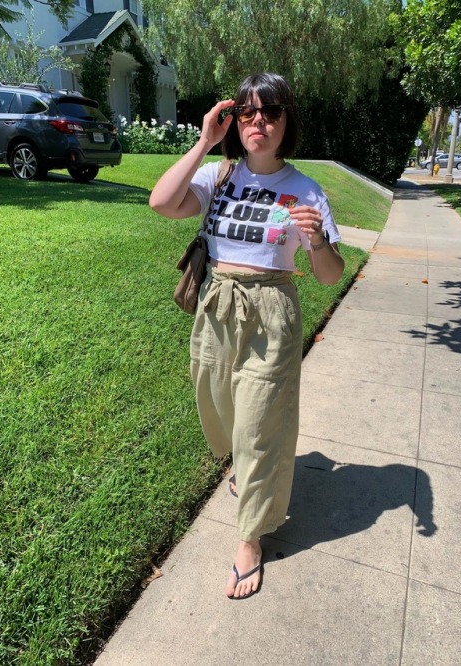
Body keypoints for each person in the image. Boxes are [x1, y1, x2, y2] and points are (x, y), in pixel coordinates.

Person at [150, 72, 344, 600]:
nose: (259, 122)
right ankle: (244, 468)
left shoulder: (306, 191)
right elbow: (162, 202)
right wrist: (205, 141)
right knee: (218, 408)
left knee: (260, 423)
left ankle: (250, 538)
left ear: (287, 122)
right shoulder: (221, 174)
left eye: (271, 112)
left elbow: (329, 274)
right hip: (216, 308)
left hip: (272, 311)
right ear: (236, 120)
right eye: (248, 112)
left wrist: (318, 240)